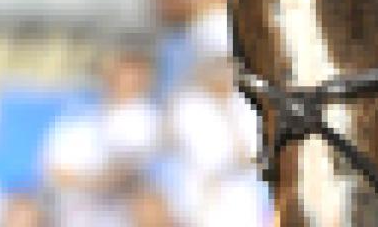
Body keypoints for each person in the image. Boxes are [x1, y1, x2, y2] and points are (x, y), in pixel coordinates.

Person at [41, 48, 164, 227]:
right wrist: (85, 182)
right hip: (69, 213)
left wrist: (86, 182)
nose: (124, 79)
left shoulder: (148, 118)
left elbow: (123, 171)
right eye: (120, 71)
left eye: (133, 73)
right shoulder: (78, 116)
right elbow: (53, 170)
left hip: (118, 215)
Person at [163, 56, 267, 227]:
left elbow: (250, 154)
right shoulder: (187, 102)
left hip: (244, 189)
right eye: (217, 68)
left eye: (227, 69)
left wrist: (227, 111)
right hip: (202, 190)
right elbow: (177, 145)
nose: (222, 74)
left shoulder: (248, 102)